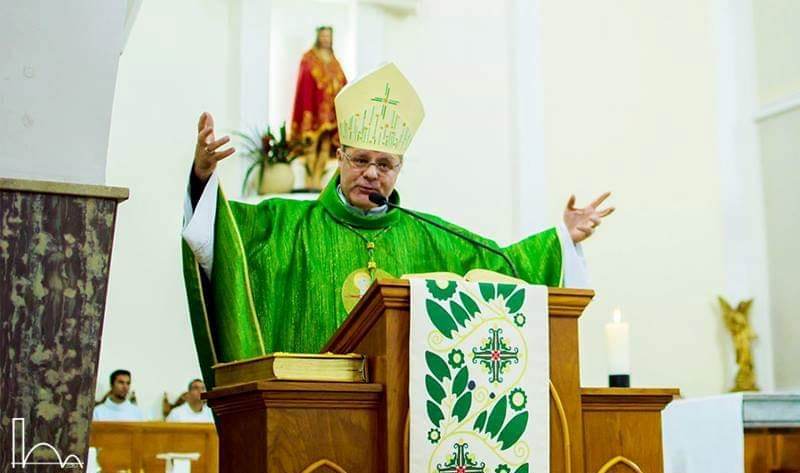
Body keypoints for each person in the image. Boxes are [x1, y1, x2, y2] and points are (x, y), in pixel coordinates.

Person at [182, 63, 613, 386]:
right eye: (361, 160)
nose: (372, 173)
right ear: (340, 156)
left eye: (385, 164)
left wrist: (562, 239)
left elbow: (506, 266)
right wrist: (202, 176)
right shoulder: (284, 224)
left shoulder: (429, 236)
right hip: (312, 419)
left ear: (400, 168)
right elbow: (223, 236)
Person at [291, 26, 348, 189]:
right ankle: (309, 179)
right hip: (312, 109)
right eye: (323, 36)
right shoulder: (309, 58)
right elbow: (304, 84)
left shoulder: (334, 60)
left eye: (328, 36)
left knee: (325, 144)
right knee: (311, 144)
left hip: (329, 111)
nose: (325, 39)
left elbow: (343, 82)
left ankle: (317, 178)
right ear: (318, 37)